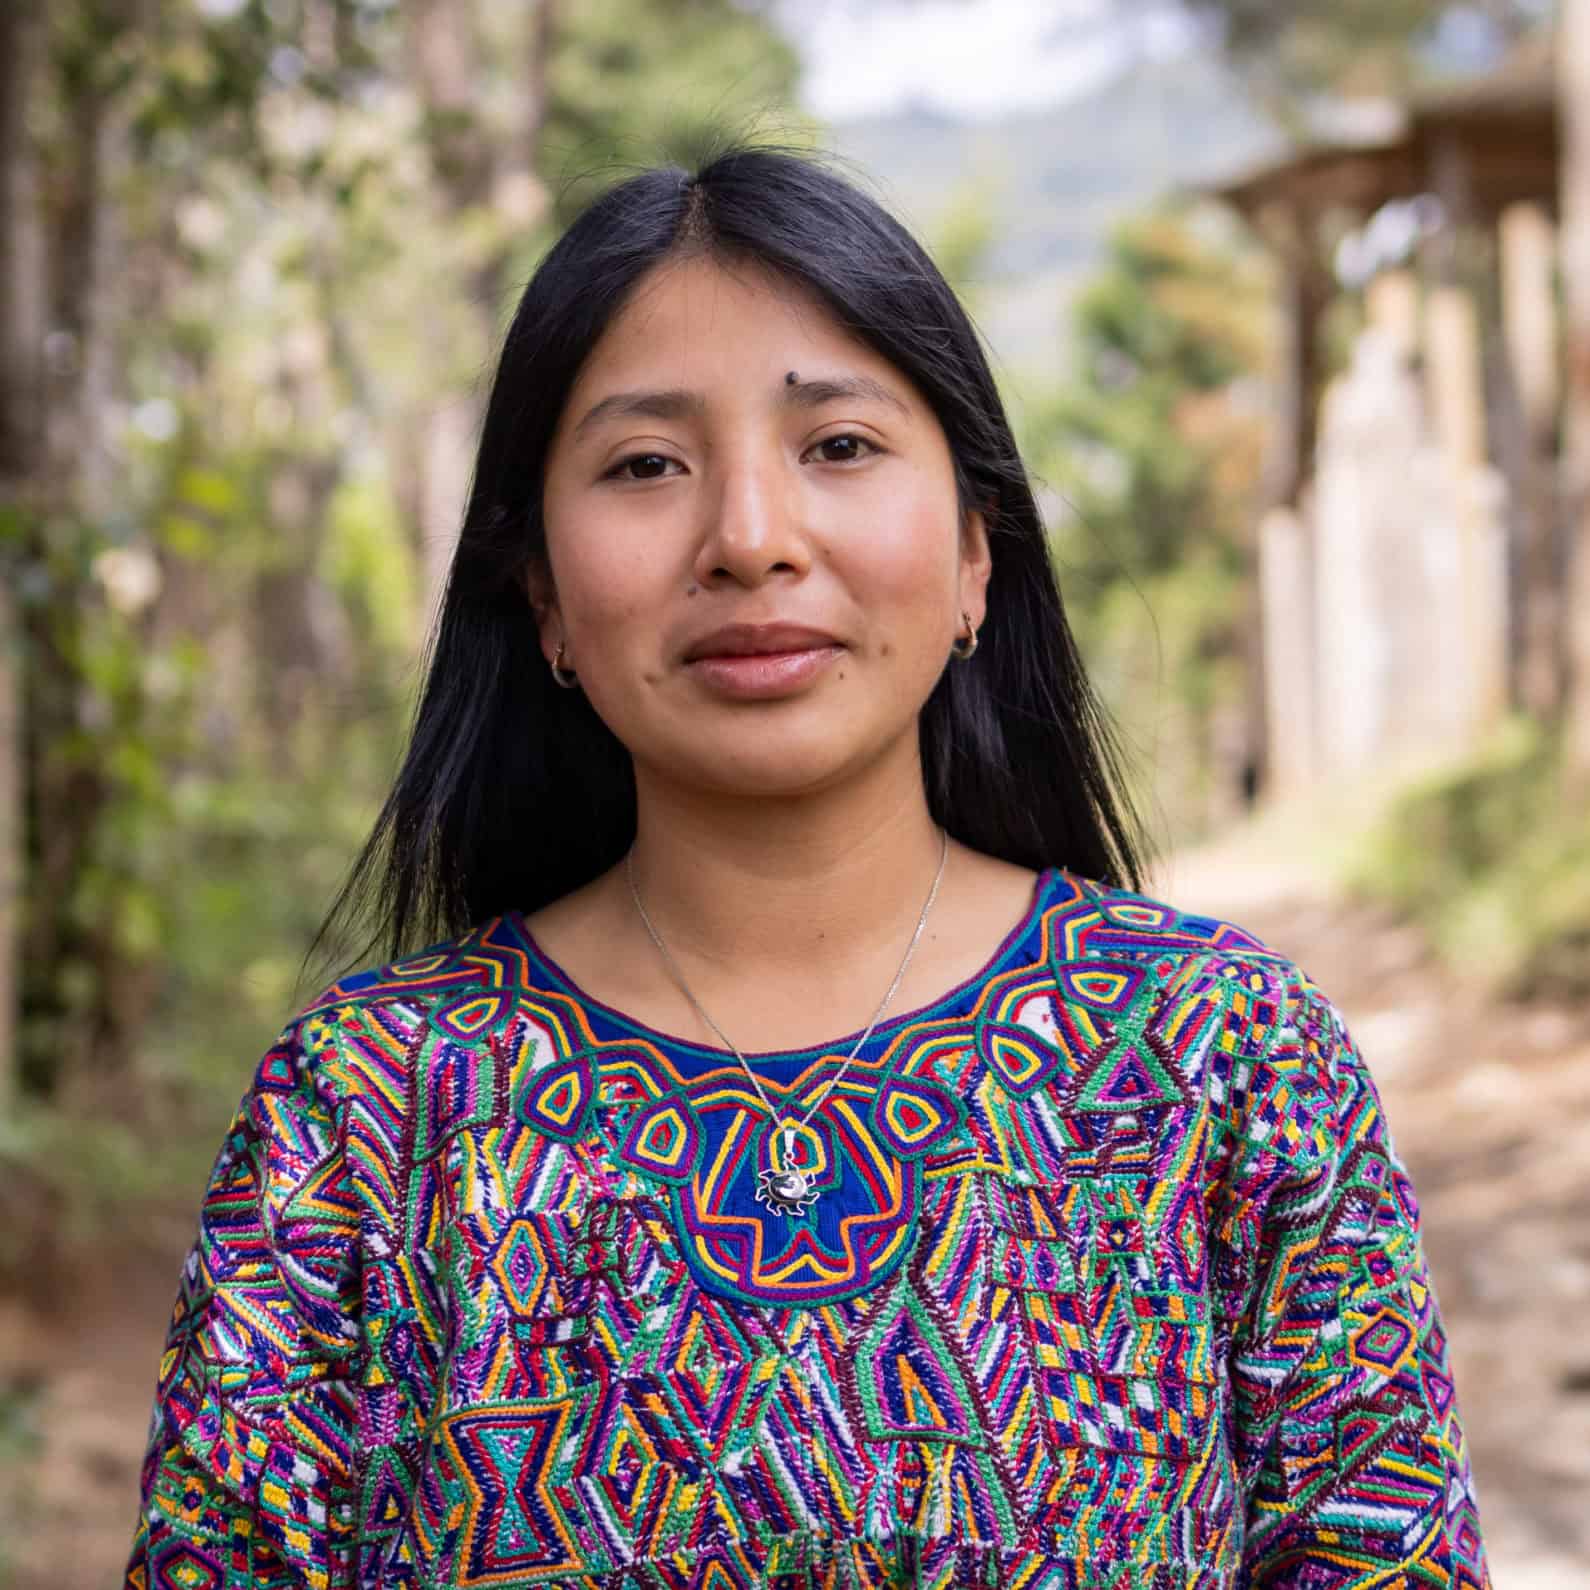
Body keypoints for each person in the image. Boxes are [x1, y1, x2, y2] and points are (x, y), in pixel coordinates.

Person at [123, 141, 1491, 1590]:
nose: (750, 538)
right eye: (646, 464)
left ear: (975, 552)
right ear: (544, 600)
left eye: (836, 445)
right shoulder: (367, 1114)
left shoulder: (1222, 1056)